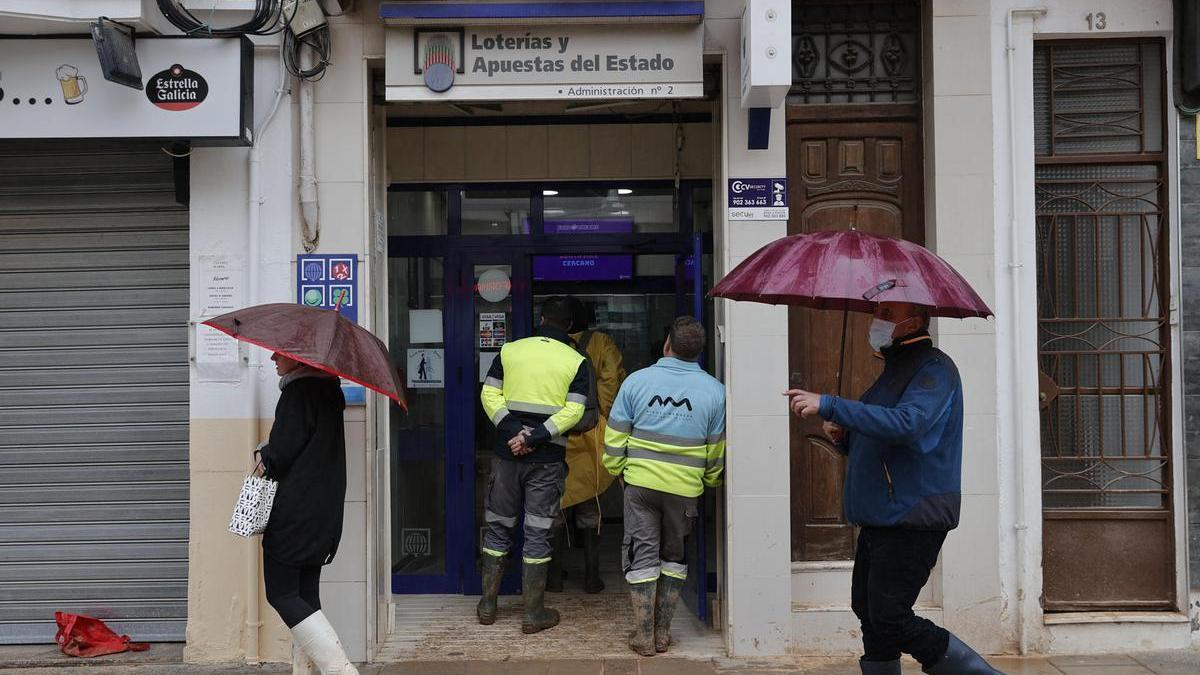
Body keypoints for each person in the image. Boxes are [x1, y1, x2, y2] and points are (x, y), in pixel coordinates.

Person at [784, 302, 1001, 675]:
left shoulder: (934, 369)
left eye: (887, 315)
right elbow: (881, 436)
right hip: (882, 514)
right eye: (878, 313)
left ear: (912, 322)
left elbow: (907, 424)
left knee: (890, 615)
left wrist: (831, 405)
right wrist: (843, 437)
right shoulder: (893, 370)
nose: (877, 321)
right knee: (868, 609)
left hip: (913, 514)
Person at [603, 316, 725, 656]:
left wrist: (617, 469)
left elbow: (615, 436)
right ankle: (661, 633)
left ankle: (642, 637)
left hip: (640, 485)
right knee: (674, 556)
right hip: (684, 489)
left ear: (667, 344)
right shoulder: (716, 392)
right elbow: (716, 448)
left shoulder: (636, 382)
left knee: (641, 555)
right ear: (699, 352)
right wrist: (710, 480)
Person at [478, 296, 590, 633]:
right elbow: (575, 411)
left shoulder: (510, 351)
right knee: (538, 532)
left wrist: (515, 432)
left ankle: (487, 605)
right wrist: (535, 436)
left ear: (540, 319)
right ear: (570, 326)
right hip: (546, 459)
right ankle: (533, 613)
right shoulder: (576, 360)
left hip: (506, 456)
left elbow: (488, 394)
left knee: (498, 526)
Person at [257, 352, 357, 675]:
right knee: (306, 597)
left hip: (295, 514)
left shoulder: (298, 394)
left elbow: (281, 455)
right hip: (323, 515)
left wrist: (265, 451)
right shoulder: (330, 392)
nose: (273, 357)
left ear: (299, 360)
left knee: (281, 593)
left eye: (281, 353)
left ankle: (341, 671)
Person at [547, 297, 627, 594]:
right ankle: (592, 577)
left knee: (553, 507)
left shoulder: (549, 346)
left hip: (554, 435)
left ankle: (554, 578)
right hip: (591, 436)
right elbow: (611, 383)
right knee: (589, 506)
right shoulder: (602, 342)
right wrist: (601, 419)